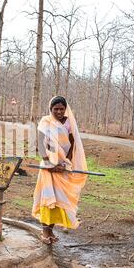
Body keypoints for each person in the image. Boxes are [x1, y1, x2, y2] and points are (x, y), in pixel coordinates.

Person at [32, 96, 88, 244]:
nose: (58, 111)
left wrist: (65, 162)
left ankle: (50, 232)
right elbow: (40, 144)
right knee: (48, 199)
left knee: (58, 201)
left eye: (61, 109)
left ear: (65, 109)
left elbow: (72, 144)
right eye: (55, 109)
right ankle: (45, 233)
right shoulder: (46, 122)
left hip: (62, 168)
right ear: (50, 109)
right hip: (48, 168)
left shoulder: (69, 123)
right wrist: (48, 163)